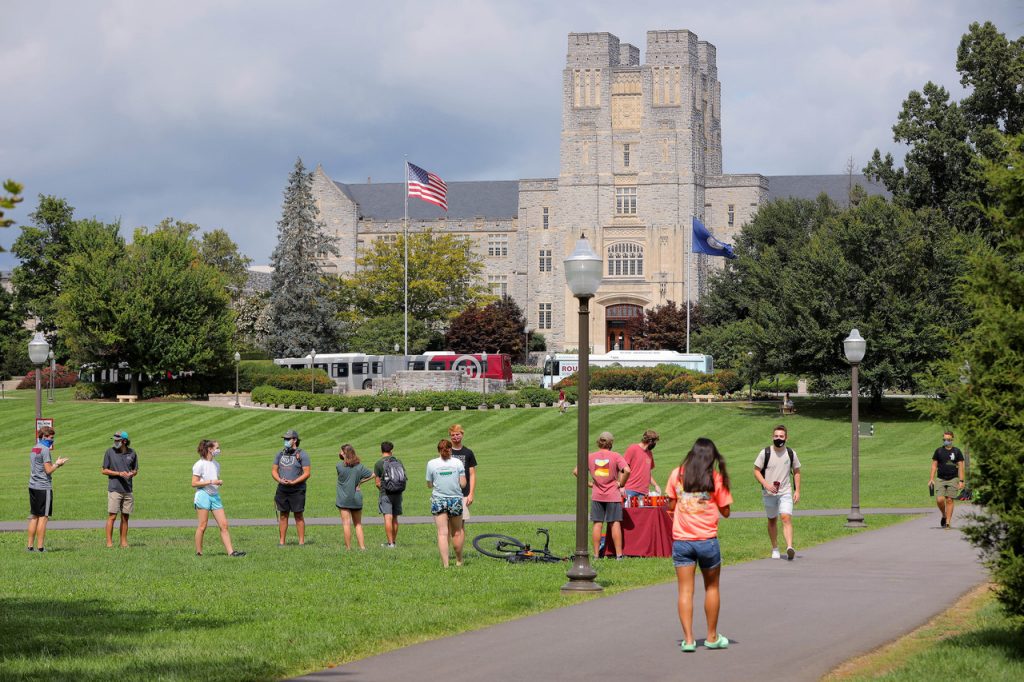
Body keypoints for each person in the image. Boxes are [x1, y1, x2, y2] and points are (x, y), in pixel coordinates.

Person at [665, 437, 733, 651]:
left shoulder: (677, 474)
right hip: (707, 541)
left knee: (685, 591)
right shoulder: (715, 478)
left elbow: (671, 504)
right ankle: (712, 637)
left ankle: (688, 639)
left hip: (682, 541)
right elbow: (726, 511)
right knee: (711, 587)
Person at [573, 431, 630, 559]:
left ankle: (596, 555)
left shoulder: (590, 456)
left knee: (597, 524)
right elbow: (627, 470)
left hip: (597, 494)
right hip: (612, 494)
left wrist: (589, 484)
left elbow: (576, 471)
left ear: (599, 442)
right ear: (611, 443)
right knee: (614, 523)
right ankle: (619, 555)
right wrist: (621, 483)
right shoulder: (615, 456)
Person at [753, 424, 801, 560]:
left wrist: (797, 490)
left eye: (781, 436)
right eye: (776, 436)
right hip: (769, 493)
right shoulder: (765, 453)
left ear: (786, 438)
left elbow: (797, 471)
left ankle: (789, 547)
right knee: (772, 520)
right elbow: (756, 471)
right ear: (772, 437)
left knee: (786, 517)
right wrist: (766, 484)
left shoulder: (791, 453)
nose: (778, 438)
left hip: (785, 491)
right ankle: (775, 548)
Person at [191, 439, 245, 557]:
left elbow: (214, 479)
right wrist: (211, 481)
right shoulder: (199, 464)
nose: (218, 450)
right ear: (210, 449)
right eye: (217, 448)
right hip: (203, 495)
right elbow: (194, 483)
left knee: (224, 524)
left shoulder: (216, 464)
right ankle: (199, 552)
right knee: (202, 525)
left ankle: (231, 552)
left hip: (215, 496)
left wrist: (217, 483)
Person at [27, 426, 69, 552]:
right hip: (43, 487)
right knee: (43, 517)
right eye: (51, 438)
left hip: (32, 486)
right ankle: (40, 548)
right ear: (44, 436)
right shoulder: (45, 450)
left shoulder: (35, 448)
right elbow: (48, 470)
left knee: (34, 516)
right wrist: (58, 464)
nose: (52, 440)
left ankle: (30, 547)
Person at [426, 438, 467, 568]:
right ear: (451, 450)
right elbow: (463, 483)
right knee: (457, 532)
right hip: (455, 499)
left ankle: (445, 564)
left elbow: (429, 484)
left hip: (438, 500)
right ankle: (459, 560)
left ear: (438, 450)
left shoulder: (431, 464)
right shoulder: (457, 463)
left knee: (442, 533)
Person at [272, 429, 311, 546]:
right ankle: (282, 542)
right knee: (283, 515)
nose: (286, 441)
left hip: (297, 489)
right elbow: (274, 470)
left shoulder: (302, 454)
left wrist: (294, 482)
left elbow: (307, 473)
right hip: (282, 489)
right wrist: (279, 480)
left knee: (298, 515)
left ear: (295, 440)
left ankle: (301, 542)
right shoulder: (280, 454)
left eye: (288, 439)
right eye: (285, 439)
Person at [100, 430, 139, 548]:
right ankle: (109, 543)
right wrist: (118, 473)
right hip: (114, 489)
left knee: (125, 517)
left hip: (128, 490)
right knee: (112, 516)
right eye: (114, 440)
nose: (115, 442)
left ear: (124, 441)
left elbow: (135, 470)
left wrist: (132, 474)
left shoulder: (132, 453)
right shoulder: (109, 452)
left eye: (118, 440)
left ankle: (123, 542)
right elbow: (104, 470)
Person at [336, 444, 374, 550]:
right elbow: (373, 474)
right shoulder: (360, 467)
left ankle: (348, 548)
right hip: (356, 498)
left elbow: (342, 465)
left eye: (341, 451)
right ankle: (362, 547)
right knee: (358, 524)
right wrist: (360, 482)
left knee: (346, 524)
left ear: (344, 453)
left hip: (343, 498)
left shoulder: (339, 466)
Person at [929, 430, 965, 529]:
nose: (946, 441)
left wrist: (961, 481)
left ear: (952, 439)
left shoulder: (957, 451)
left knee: (949, 500)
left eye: (948, 439)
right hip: (940, 478)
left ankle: (948, 522)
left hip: (953, 478)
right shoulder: (938, 451)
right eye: (944, 439)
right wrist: (931, 479)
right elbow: (934, 466)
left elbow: (961, 467)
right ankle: (944, 515)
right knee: (939, 500)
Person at [374, 441, 406, 548]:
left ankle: (390, 543)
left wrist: (383, 489)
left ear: (381, 450)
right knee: (395, 518)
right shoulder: (398, 461)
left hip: (385, 493)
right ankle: (394, 542)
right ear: (391, 451)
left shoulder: (378, 463)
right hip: (398, 492)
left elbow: (377, 483)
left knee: (388, 518)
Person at [448, 424, 477, 522]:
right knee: (447, 524)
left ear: (462, 435)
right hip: (448, 493)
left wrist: (471, 494)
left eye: (457, 434)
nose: (455, 437)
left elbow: (472, 474)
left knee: (461, 523)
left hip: (463, 493)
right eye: (453, 435)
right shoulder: (447, 452)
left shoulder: (468, 452)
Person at [623, 429, 663, 499]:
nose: (655, 444)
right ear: (650, 441)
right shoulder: (633, 449)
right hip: (630, 490)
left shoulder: (649, 454)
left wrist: (656, 485)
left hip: (643, 493)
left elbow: (647, 474)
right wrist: (622, 486)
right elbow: (623, 469)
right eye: (654, 442)